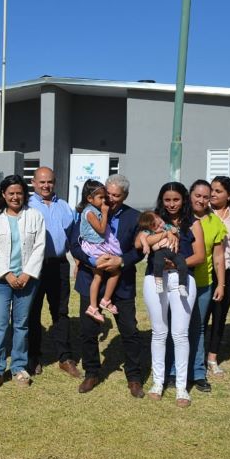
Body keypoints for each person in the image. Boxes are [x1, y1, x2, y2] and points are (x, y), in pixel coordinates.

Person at [70, 175, 146, 398]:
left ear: (125, 196)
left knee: (130, 331)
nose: (110, 199)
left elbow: (139, 250)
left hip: (120, 283)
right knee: (88, 331)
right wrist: (91, 260)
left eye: (116, 196)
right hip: (90, 278)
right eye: (107, 194)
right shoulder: (86, 212)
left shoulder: (134, 217)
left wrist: (121, 261)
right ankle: (92, 372)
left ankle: (134, 377)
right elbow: (74, 244)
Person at [138, 182, 204, 407]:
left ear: (183, 199)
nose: (172, 204)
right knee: (159, 332)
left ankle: (181, 388)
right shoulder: (152, 219)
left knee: (180, 333)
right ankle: (158, 382)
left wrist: (176, 264)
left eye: (176, 199)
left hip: (182, 278)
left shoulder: (193, 223)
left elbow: (200, 255)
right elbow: (139, 242)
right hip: (154, 278)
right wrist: (164, 234)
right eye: (167, 200)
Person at [164, 180, 225, 394]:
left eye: (206, 196)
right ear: (190, 195)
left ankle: (198, 373)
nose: (201, 200)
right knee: (176, 327)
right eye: (197, 195)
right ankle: (172, 371)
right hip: (179, 280)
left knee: (197, 327)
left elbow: (218, 256)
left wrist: (221, 283)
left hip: (203, 283)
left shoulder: (214, 222)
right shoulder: (179, 220)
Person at [0, 175, 45, 389]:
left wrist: (27, 274)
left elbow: (39, 247)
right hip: (0, 280)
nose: (15, 197)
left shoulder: (35, 216)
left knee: (21, 324)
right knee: (0, 324)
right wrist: (7, 274)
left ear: (24, 194)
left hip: (27, 280)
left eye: (19, 193)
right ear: (3, 194)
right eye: (11, 193)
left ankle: (19, 367)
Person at [26, 167, 77, 378]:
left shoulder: (65, 206)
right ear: (34, 182)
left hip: (59, 265)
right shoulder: (26, 206)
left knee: (60, 312)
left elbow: (74, 236)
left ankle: (64, 357)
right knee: (32, 312)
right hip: (34, 267)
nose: (46, 186)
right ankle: (33, 357)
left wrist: (78, 260)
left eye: (50, 182)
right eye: (42, 182)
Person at [76, 179, 122, 322]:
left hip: (97, 245)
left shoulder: (93, 210)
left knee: (103, 275)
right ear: (89, 198)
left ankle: (99, 303)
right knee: (107, 274)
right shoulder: (90, 212)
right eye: (101, 197)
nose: (104, 200)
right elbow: (101, 230)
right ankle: (98, 304)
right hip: (94, 247)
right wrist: (105, 213)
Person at [206, 176, 230, 376]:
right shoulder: (204, 214)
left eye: (218, 191)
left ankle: (212, 357)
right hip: (207, 270)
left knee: (220, 315)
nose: (213, 194)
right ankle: (196, 355)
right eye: (212, 190)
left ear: (229, 195)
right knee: (201, 315)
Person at [137, 210, 188, 296]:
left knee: (182, 264)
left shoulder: (167, 226)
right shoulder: (150, 232)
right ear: (150, 228)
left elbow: (178, 235)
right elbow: (142, 236)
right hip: (160, 252)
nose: (161, 226)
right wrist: (145, 245)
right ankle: (158, 282)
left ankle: (182, 285)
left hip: (173, 251)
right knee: (158, 263)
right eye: (157, 227)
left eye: (160, 222)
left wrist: (175, 232)